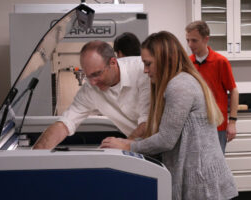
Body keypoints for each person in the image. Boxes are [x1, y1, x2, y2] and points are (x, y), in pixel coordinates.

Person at [100, 31, 238, 199]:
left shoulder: (179, 86)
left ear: (165, 60)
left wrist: (128, 146)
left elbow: (166, 139)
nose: (145, 70)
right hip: (201, 180)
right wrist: (130, 143)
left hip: (204, 186)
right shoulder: (179, 81)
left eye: (148, 64)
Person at [33, 40, 150, 149]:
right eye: (88, 76)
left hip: (161, 147)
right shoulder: (90, 89)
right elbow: (64, 124)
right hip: (138, 148)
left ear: (113, 62)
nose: (93, 82)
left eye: (97, 74)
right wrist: (33, 157)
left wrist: (122, 146)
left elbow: (148, 124)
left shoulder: (143, 71)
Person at [185, 20, 239, 154]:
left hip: (217, 126)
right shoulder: (187, 63)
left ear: (206, 39)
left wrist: (232, 122)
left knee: (216, 166)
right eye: (188, 40)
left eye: (194, 40)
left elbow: (233, 91)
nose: (190, 45)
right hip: (195, 126)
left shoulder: (220, 62)